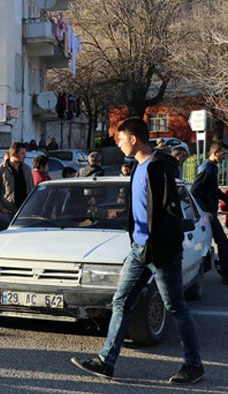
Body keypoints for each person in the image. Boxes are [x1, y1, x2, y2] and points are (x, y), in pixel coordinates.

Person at [71, 117, 204, 384]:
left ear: (133, 139)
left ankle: (194, 366)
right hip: (139, 249)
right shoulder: (138, 167)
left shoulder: (158, 168)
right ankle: (106, 361)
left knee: (175, 306)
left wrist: (163, 246)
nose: (118, 145)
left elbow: (169, 212)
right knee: (121, 301)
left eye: (120, 139)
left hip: (161, 251)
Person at [191, 141, 228, 285]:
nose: (224, 157)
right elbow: (195, 190)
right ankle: (225, 274)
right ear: (216, 152)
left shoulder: (212, 168)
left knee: (221, 242)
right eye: (223, 153)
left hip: (210, 211)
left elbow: (213, 189)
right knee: (223, 243)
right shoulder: (206, 168)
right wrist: (204, 211)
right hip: (208, 213)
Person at [0, 142, 34, 230]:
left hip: (24, 212)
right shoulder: (0, 170)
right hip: (8, 213)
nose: (25, 156)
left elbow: (31, 188)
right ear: (14, 154)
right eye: (22, 153)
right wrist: (2, 209)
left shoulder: (27, 169)